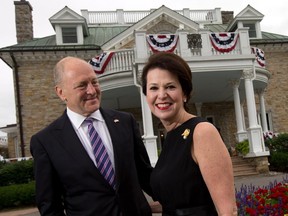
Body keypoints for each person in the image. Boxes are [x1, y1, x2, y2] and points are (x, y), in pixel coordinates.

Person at [30, 56, 153, 216]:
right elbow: (49, 205)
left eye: (94, 82)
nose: (92, 90)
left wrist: (179, 201)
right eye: (82, 85)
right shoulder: (45, 142)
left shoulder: (125, 122)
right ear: (61, 93)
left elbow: (145, 175)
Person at [141, 52, 237, 216]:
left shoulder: (202, 132)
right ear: (147, 95)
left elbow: (228, 210)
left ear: (184, 93)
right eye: (154, 88)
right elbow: (178, 203)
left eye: (170, 86)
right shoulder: (172, 136)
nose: (162, 95)